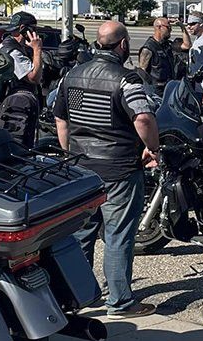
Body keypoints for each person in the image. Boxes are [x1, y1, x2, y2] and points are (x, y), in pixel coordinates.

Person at [53, 20, 160, 318]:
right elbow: (143, 119)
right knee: (117, 236)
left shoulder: (72, 76)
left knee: (80, 235)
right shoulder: (127, 80)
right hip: (119, 171)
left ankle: (77, 296)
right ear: (123, 44)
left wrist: (69, 151)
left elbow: (60, 119)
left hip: (81, 169)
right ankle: (121, 302)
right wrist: (154, 148)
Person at [0, 11, 43, 148]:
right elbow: (34, 77)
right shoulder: (13, 51)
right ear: (24, 29)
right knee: (20, 145)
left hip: (16, 104)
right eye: (33, 29)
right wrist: (37, 50)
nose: (35, 32)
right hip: (17, 108)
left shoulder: (11, 46)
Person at [138, 16, 175, 95]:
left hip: (169, 87)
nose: (171, 30)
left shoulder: (166, 45)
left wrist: (182, 27)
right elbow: (142, 72)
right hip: (157, 91)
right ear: (159, 27)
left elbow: (186, 45)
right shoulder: (148, 48)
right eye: (168, 27)